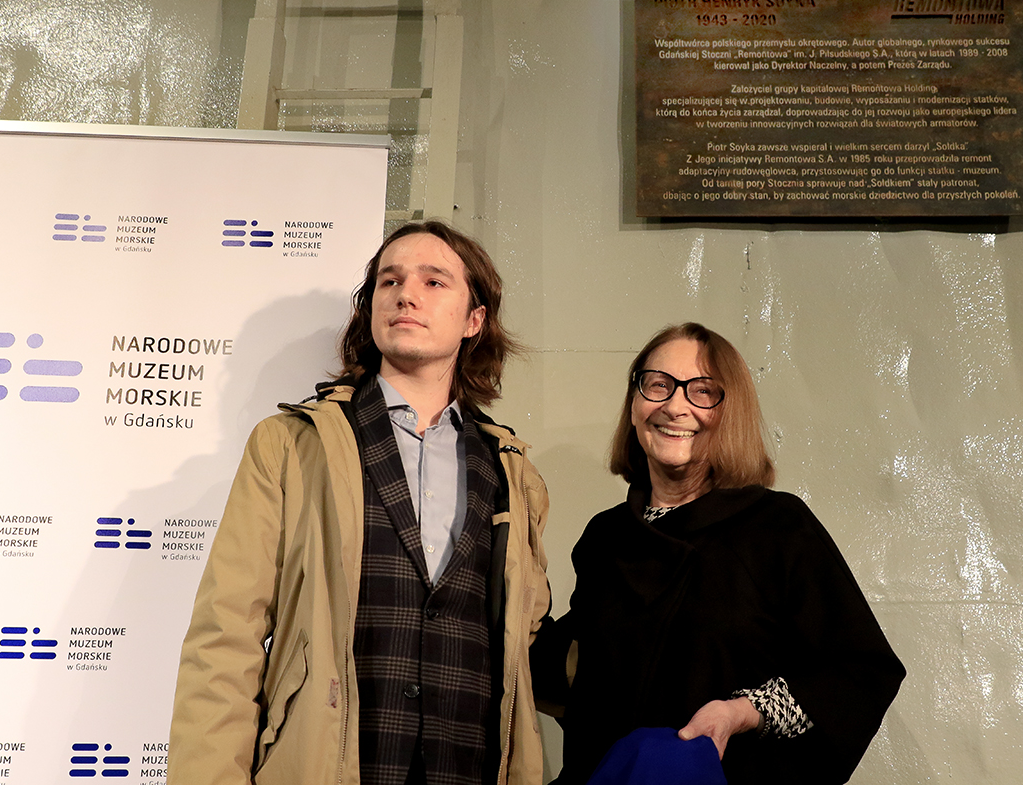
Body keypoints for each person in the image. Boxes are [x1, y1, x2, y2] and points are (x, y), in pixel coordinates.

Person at [168, 221, 551, 785]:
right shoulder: (291, 445)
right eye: (389, 281)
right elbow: (226, 636)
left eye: (434, 281)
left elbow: (522, 640)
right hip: (328, 766)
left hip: (467, 765)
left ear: (475, 319)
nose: (406, 294)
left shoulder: (513, 472)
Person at [532, 322, 905, 785]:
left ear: (732, 412)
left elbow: (858, 671)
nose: (675, 406)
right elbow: (580, 672)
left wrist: (742, 712)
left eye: (702, 391)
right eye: (658, 384)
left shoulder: (778, 527)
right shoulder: (606, 536)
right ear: (634, 402)